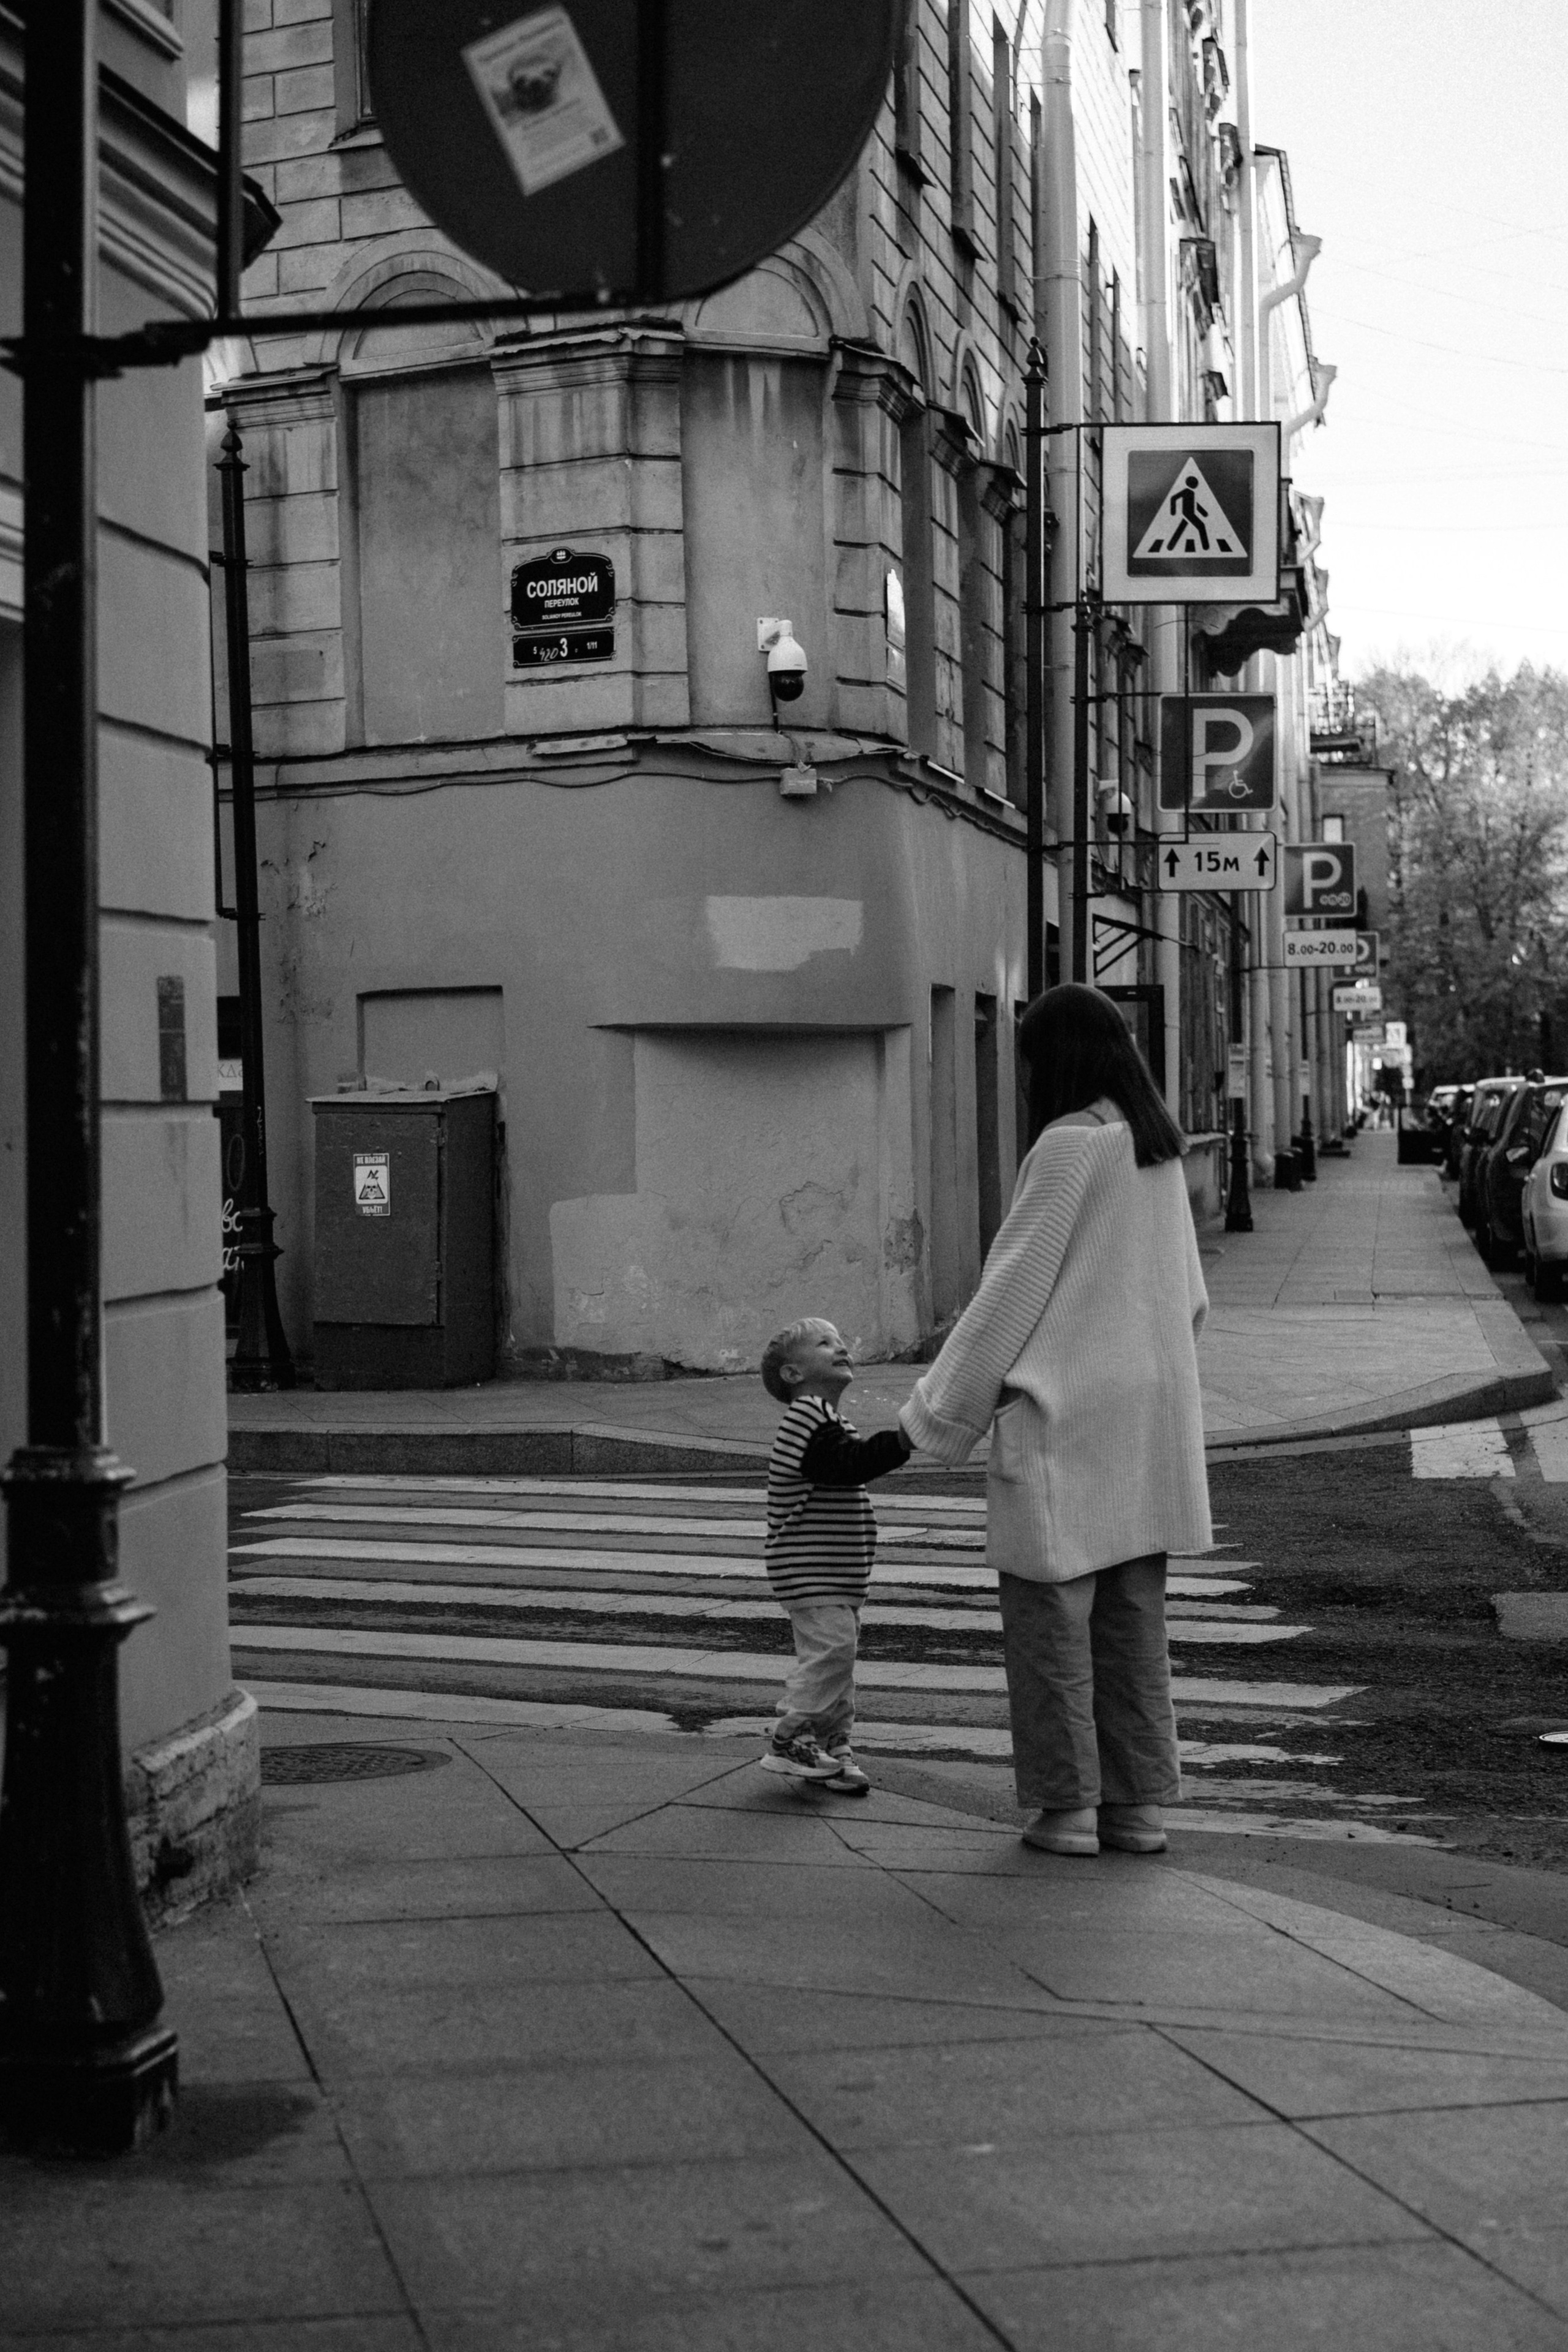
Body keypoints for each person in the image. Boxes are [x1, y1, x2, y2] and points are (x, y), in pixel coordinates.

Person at [899, 984, 1211, 1857]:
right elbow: (1191, 1301)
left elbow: (1007, 1299)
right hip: (1147, 1426)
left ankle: (1069, 1810)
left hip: (1063, 1418)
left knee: (1051, 1623)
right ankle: (1138, 1810)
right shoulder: (1154, 1150)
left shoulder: (1068, 1146)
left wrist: (931, 1419)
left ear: (1055, 1060)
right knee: (1130, 1627)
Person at [758, 1317, 911, 1795]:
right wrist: (904, 1440)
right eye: (825, 1344)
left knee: (837, 1661)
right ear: (793, 1375)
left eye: (842, 1341)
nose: (841, 1348)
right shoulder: (808, 1416)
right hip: (811, 1567)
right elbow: (848, 1465)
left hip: (832, 1571)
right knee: (833, 1652)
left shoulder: (829, 1419)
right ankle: (790, 1737)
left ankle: (831, 1746)